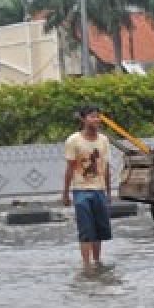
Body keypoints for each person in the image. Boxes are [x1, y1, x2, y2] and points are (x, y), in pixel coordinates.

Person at [62, 104, 113, 269]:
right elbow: (69, 168)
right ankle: (86, 265)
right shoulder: (73, 141)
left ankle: (97, 262)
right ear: (83, 119)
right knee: (86, 230)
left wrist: (109, 192)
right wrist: (65, 193)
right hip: (81, 191)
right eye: (92, 116)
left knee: (99, 230)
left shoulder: (103, 140)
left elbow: (106, 167)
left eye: (98, 116)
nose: (96, 119)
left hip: (99, 190)